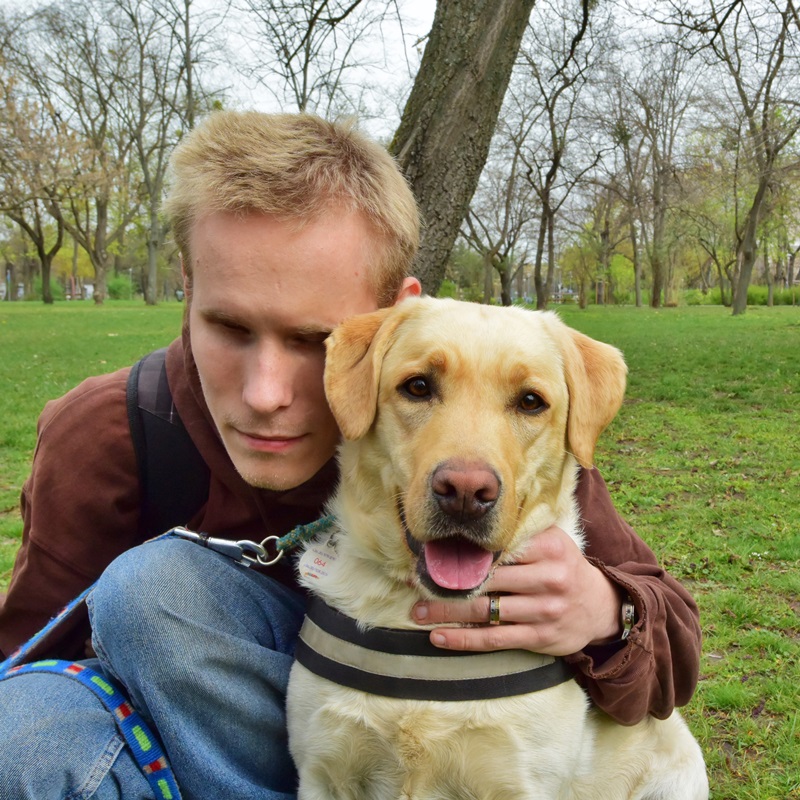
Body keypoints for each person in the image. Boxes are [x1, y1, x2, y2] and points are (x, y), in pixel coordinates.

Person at [0, 110, 702, 800]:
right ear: (187, 285)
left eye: (314, 340)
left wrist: (606, 613)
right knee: (86, 667)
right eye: (229, 326)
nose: (267, 393)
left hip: (433, 720)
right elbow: (36, 657)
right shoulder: (108, 430)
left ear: (392, 319)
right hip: (237, 729)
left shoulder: (483, 435)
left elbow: (671, 656)